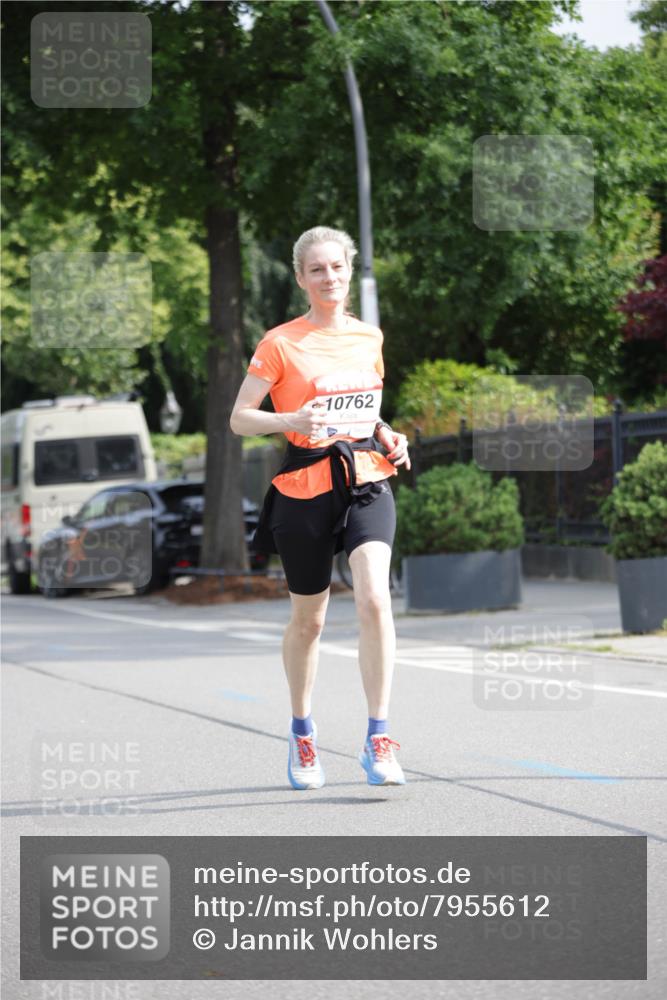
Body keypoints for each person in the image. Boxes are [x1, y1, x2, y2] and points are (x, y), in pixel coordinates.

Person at [230, 225, 411, 790]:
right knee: (309, 622)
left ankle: (378, 736)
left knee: (376, 599)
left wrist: (389, 434)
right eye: (317, 270)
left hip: (366, 479)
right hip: (304, 489)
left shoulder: (369, 337)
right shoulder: (279, 343)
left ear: (349, 270)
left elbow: (364, 410)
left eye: (337, 267)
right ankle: (303, 734)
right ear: (301, 278)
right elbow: (240, 417)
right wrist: (291, 420)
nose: (328, 277)